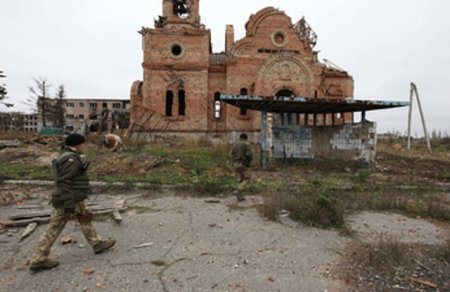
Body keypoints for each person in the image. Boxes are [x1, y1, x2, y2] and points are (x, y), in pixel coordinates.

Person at [29, 133, 116, 272]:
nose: (84, 146)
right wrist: (68, 203)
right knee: (54, 227)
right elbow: (64, 182)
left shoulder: (68, 154)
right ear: (77, 145)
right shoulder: (70, 159)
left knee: (84, 218)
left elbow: (70, 175)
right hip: (67, 199)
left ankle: (97, 244)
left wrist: (81, 169)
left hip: (74, 197)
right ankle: (38, 259)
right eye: (83, 144)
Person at [231, 133, 253, 202]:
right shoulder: (246, 144)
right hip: (243, 164)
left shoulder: (235, 144)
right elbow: (249, 154)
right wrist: (248, 162)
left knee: (240, 179)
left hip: (235, 164)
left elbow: (231, 153)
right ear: (246, 138)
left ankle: (240, 196)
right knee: (247, 178)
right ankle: (238, 190)